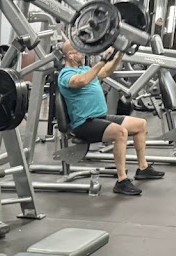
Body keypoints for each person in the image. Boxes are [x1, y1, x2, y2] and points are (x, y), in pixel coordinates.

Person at [57, 40, 164, 196]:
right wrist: (102, 60)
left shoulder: (85, 69)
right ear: (71, 55)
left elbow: (106, 71)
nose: (83, 54)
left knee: (140, 124)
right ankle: (122, 181)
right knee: (120, 132)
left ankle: (143, 168)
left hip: (100, 118)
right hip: (84, 124)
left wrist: (120, 54)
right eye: (80, 51)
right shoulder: (65, 74)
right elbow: (81, 81)